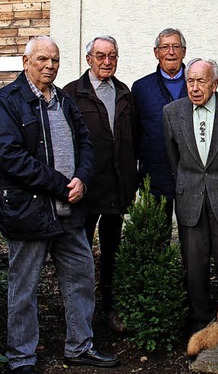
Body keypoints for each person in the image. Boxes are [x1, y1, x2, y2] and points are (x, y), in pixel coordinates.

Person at [0, 36, 119, 372]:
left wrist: (82, 177)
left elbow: (86, 143)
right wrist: (60, 185)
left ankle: (79, 346)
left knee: (80, 276)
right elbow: (9, 156)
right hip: (30, 211)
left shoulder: (65, 100)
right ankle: (22, 357)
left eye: (54, 60)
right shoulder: (8, 101)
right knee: (24, 287)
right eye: (42, 59)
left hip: (69, 211)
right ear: (26, 62)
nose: (49, 66)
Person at [163, 57, 218, 333]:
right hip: (190, 199)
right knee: (194, 266)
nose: (195, 88)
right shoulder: (172, 112)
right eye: (190, 81)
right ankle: (199, 322)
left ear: (215, 83)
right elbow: (173, 158)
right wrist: (188, 186)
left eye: (201, 81)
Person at [63, 35, 138, 333]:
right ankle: (79, 316)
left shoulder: (124, 92)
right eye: (100, 56)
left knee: (112, 253)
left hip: (115, 190)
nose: (107, 61)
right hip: (84, 189)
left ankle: (109, 310)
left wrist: (131, 183)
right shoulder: (71, 93)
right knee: (78, 255)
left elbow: (133, 138)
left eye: (113, 56)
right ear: (89, 59)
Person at [131, 28, 188, 228]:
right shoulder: (141, 88)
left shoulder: (197, 84)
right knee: (155, 232)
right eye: (165, 47)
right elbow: (134, 131)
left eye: (176, 46)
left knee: (191, 235)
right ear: (156, 53)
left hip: (190, 173)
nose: (171, 52)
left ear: (184, 51)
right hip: (154, 174)